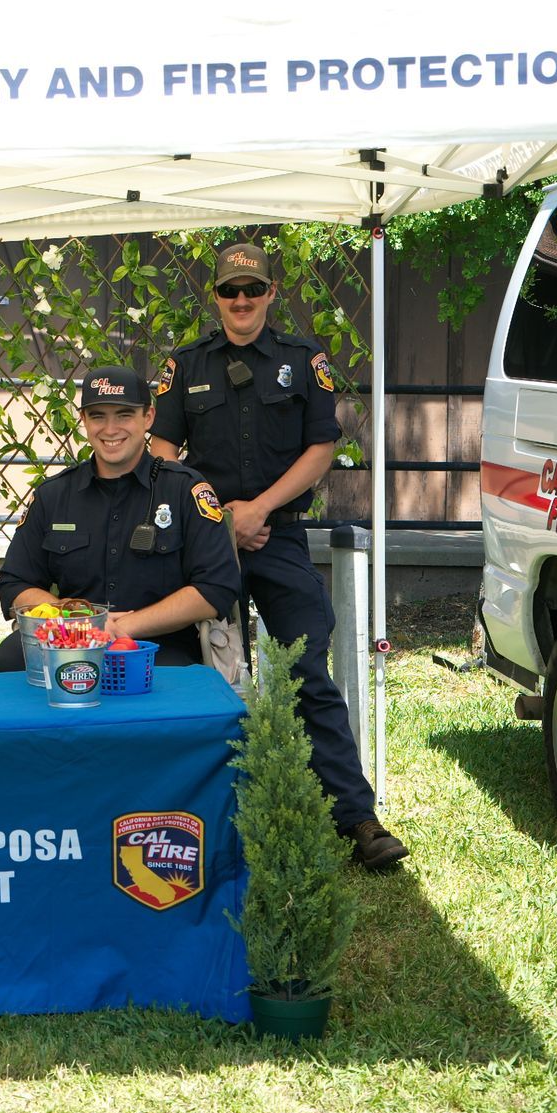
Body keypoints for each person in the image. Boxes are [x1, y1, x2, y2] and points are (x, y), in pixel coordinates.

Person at [151, 242, 406, 871]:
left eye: (252, 290)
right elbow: (159, 449)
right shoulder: (186, 365)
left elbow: (321, 448)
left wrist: (257, 510)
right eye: (229, 290)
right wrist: (218, 516)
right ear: (214, 296)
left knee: (306, 673)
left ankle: (357, 818)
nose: (241, 301)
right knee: (207, 673)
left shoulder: (303, 361)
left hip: (280, 535)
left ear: (270, 293)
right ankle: (213, 815)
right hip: (205, 542)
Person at [0, 363, 243, 671]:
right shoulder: (53, 496)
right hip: (72, 642)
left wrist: (127, 627)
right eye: (98, 416)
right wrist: (79, 619)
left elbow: (216, 587)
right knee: (10, 657)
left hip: (160, 646)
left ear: (148, 417)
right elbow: (15, 583)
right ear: (83, 420)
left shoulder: (185, 491)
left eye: (124, 415)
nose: (110, 429)